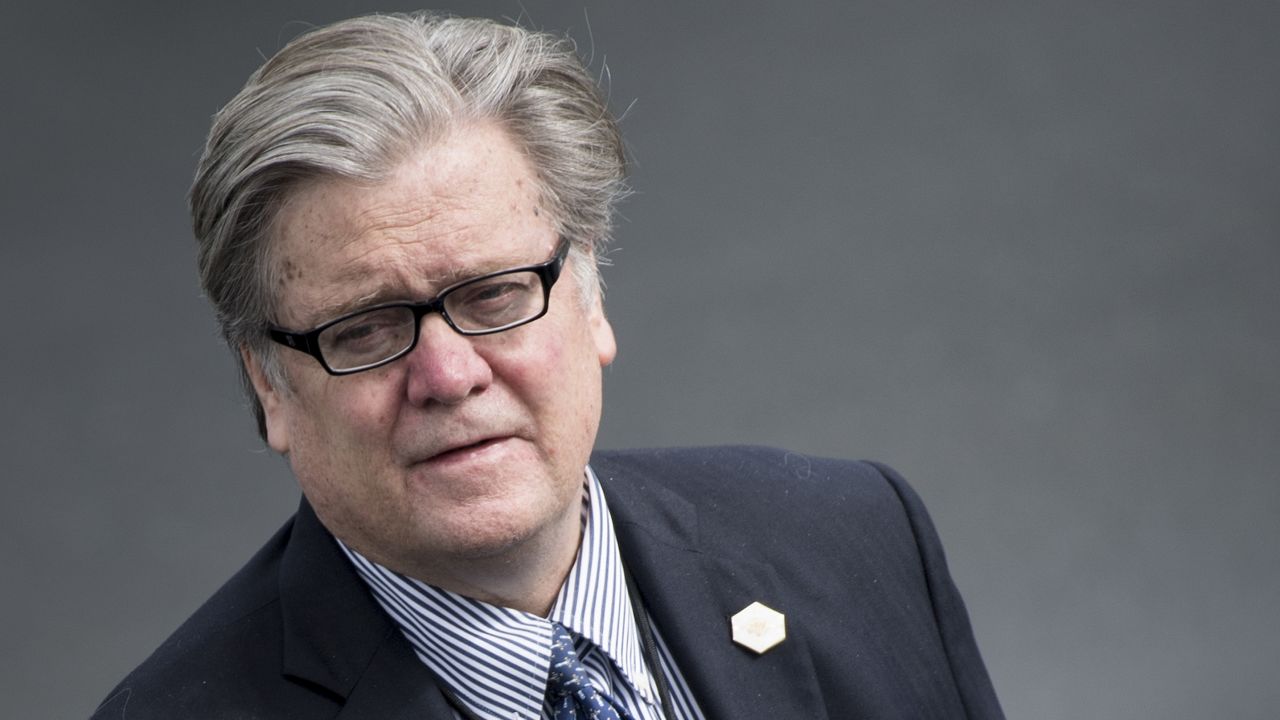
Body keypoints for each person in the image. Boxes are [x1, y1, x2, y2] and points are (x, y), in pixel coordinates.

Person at [92, 11, 1003, 720]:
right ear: (268, 385)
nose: (448, 376)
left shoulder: (858, 540)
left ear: (592, 295)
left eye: (493, 294)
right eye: (365, 329)